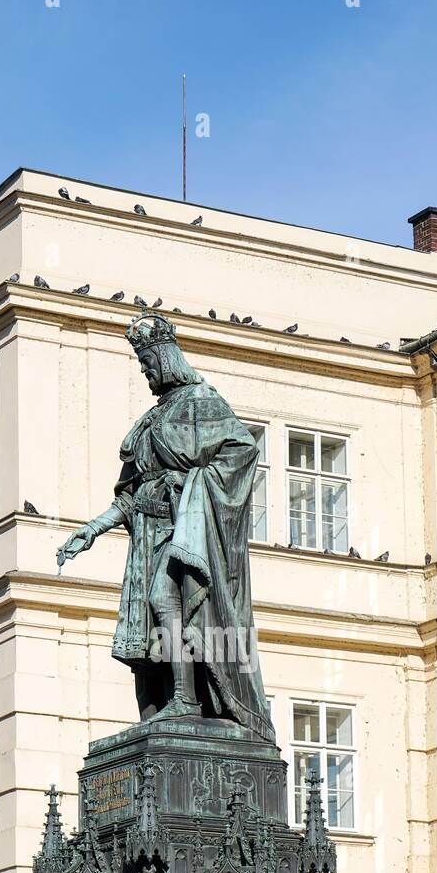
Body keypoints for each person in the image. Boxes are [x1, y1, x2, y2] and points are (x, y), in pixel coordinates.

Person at [56, 313, 273, 740]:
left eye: (148, 363)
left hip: (188, 534)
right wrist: (93, 530)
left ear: (166, 357)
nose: (146, 372)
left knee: (165, 598)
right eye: (142, 365)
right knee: (148, 621)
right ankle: (171, 699)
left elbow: (241, 451)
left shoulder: (201, 401)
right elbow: (131, 496)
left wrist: (190, 482)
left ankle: (187, 697)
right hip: (149, 539)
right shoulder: (152, 419)